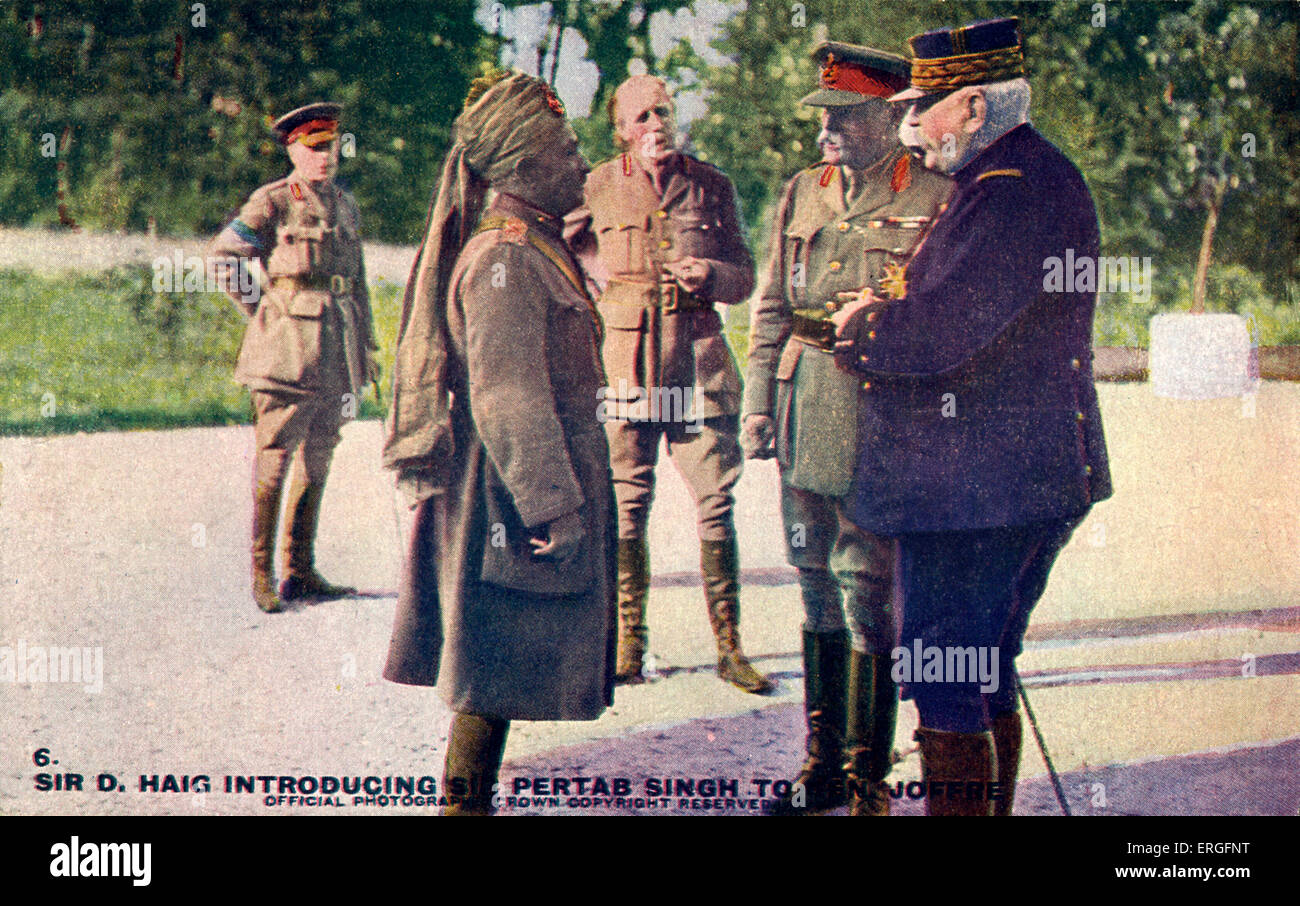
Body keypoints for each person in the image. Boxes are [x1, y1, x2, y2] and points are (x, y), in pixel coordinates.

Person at [831, 17, 1112, 816]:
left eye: (925, 106)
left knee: (945, 670)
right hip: (1014, 479)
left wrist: (859, 333)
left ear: (976, 107)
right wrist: (886, 304)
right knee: (981, 664)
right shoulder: (1019, 177)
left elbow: (939, 330)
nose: (910, 125)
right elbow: (939, 292)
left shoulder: (1008, 195)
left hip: (979, 492)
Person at [380, 71, 616, 816]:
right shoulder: (507, 258)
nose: (582, 164)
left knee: (497, 672)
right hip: (511, 491)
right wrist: (557, 509)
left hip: (516, 484)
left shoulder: (532, 245)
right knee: (488, 675)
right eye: (569, 150)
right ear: (524, 166)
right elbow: (510, 398)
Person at [743, 43, 952, 815]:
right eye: (823, 115)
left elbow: (942, 320)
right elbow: (770, 307)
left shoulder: (936, 194)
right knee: (813, 588)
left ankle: (868, 780)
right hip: (802, 408)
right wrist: (758, 402)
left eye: (844, 115)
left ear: (890, 117)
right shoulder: (802, 190)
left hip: (879, 415)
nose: (826, 129)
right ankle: (819, 768)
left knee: (867, 590)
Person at [566, 74, 771, 694]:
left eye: (664, 113)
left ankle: (729, 646)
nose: (656, 126)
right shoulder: (596, 185)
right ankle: (628, 643)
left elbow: (745, 276)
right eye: (642, 118)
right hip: (626, 358)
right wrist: (600, 287)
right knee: (627, 502)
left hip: (697, 358)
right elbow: (567, 247)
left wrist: (708, 272)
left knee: (715, 500)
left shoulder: (712, 184)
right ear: (622, 131)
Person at [209, 102, 376, 614]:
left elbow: (358, 282)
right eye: (314, 148)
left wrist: (367, 344)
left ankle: (299, 571)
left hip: (336, 348)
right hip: (286, 351)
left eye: (331, 146)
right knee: (276, 458)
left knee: (320, 454)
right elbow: (224, 256)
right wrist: (265, 310)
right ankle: (262, 573)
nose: (325, 157)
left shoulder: (345, 206)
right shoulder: (274, 200)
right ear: (293, 150)